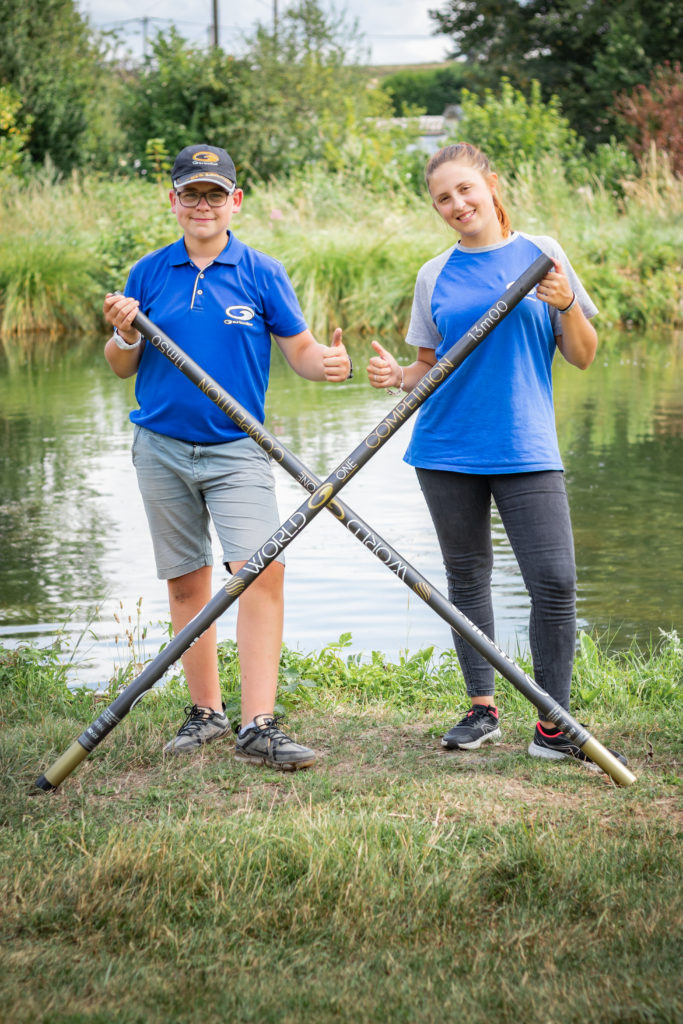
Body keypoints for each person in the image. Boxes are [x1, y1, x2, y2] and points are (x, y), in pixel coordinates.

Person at [367, 142, 626, 770]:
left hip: (525, 445)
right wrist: (396, 374)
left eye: (464, 190)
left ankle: (553, 724)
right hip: (446, 447)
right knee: (467, 579)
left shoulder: (542, 256)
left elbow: (585, 355)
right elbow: (430, 368)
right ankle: (482, 708)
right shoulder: (435, 274)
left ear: (491, 183)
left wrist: (565, 304)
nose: (457, 205)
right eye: (443, 199)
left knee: (556, 583)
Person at [103, 143, 351, 770]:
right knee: (188, 581)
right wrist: (124, 331)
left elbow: (299, 350)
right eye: (192, 194)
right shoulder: (149, 273)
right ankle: (206, 712)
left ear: (235, 201)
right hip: (159, 447)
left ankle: (258, 724)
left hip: (239, 449)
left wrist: (326, 365)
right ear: (175, 202)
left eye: (216, 194)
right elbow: (120, 364)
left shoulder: (262, 271)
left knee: (260, 571)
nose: (204, 205)